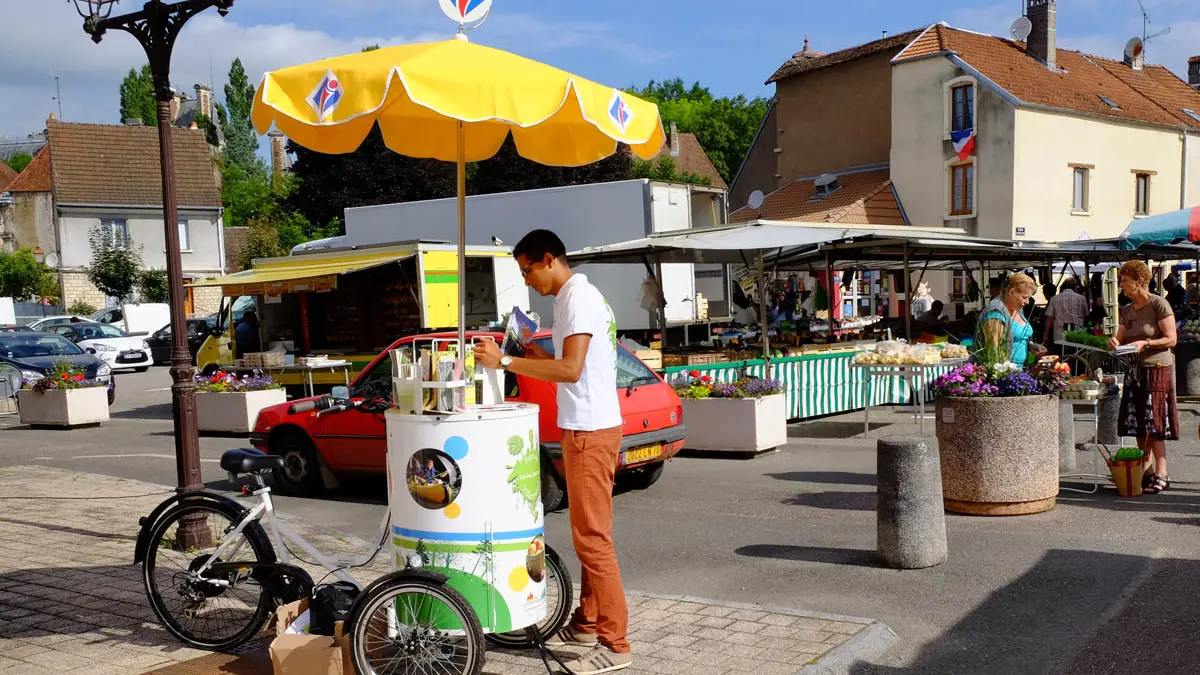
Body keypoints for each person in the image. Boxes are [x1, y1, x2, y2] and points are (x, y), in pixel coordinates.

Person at [473, 229, 631, 674]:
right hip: (591, 427)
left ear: (548, 259)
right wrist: (520, 345)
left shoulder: (577, 299)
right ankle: (588, 620)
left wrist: (504, 362)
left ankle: (615, 643)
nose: (527, 281)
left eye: (527, 271)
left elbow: (570, 367)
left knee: (593, 540)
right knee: (591, 535)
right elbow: (567, 356)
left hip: (589, 430)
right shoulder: (571, 298)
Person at [1108, 260, 1178, 494]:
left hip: (1157, 368)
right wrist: (1114, 342)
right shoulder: (1127, 310)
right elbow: (1120, 339)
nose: (1122, 287)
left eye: (1125, 282)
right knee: (1137, 423)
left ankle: (1162, 473)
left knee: (1155, 423)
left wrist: (1146, 342)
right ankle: (1145, 470)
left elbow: (1171, 339)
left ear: (1140, 281)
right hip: (1134, 372)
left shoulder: (1159, 304)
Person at [981, 273, 1046, 365]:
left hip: (1019, 370)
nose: (1027, 302)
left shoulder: (1017, 308)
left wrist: (1030, 345)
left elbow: (1015, 338)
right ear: (1011, 291)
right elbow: (993, 351)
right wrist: (1010, 373)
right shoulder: (996, 312)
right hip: (1004, 373)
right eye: (1024, 297)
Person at [1043, 277, 1089, 349]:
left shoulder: (1054, 299)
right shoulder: (1082, 298)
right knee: (1077, 356)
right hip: (1078, 334)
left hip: (1059, 335)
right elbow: (1086, 316)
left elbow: (1049, 319)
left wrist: (1045, 334)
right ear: (1075, 287)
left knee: (1061, 356)